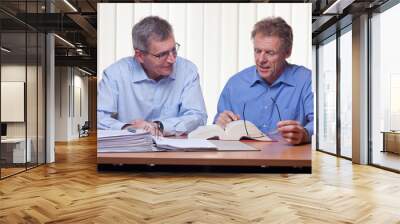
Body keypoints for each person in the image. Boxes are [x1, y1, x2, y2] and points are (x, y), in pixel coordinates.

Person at [97, 16, 207, 136]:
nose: (172, 59)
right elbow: (98, 118)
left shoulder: (188, 71)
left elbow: (198, 116)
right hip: (129, 151)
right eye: (162, 55)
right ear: (139, 56)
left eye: (173, 50)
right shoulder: (115, 74)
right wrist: (129, 128)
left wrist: (159, 126)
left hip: (174, 152)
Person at [214, 17, 313, 145]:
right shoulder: (235, 84)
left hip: (289, 162)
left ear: (287, 52)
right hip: (243, 161)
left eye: (270, 53)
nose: (261, 60)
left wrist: (305, 134)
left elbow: (319, 125)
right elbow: (218, 125)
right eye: (257, 51)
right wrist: (220, 122)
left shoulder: (305, 79)